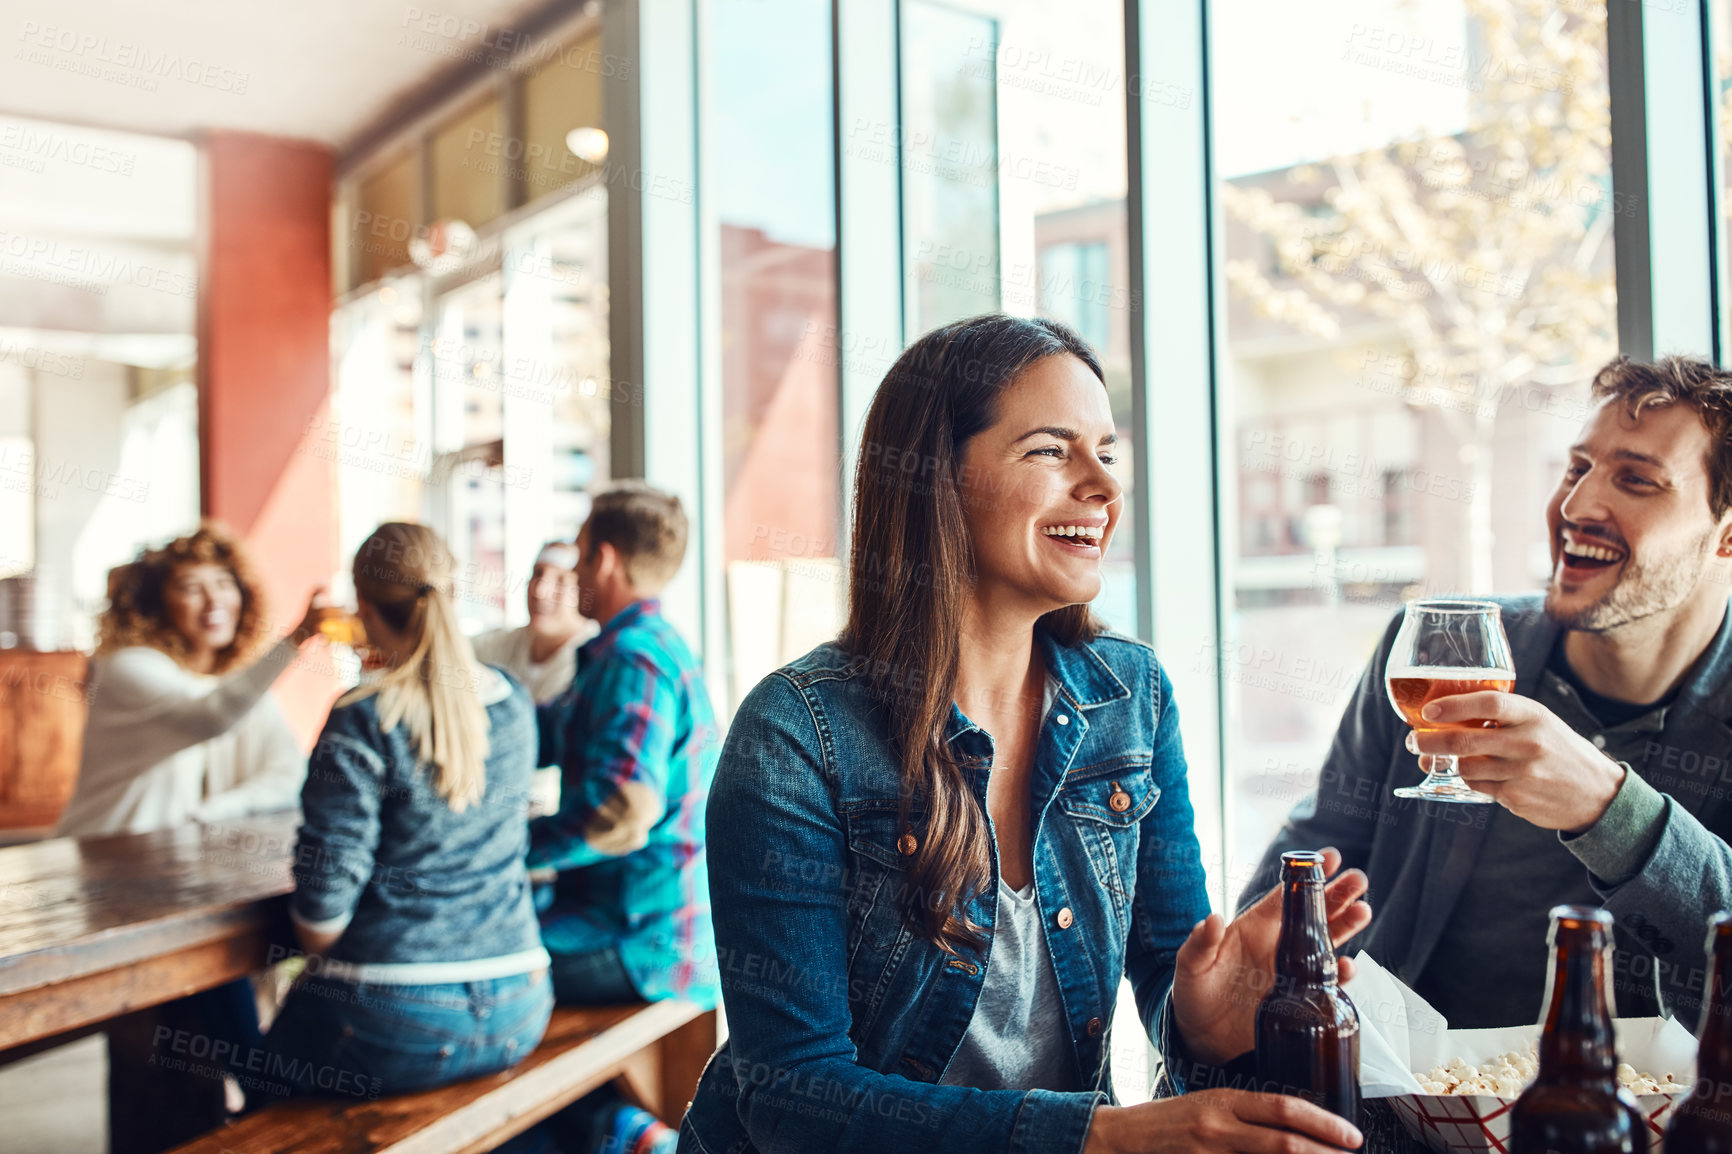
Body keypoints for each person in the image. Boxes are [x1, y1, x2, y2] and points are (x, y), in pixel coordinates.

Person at [679, 315, 1372, 1154]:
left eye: (1106, 453)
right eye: (1051, 450)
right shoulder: (797, 734)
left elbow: (1166, 969)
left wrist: (1200, 1019)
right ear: (938, 478)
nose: (1105, 489)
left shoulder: (1131, 693)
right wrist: (1097, 1140)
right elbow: (791, 1097)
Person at [1244, 354, 1732, 1029]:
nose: (1577, 505)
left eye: (1636, 481)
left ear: (1726, 534)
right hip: (1406, 1116)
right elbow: (1312, 864)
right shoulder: (1440, 649)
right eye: (1578, 468)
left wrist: (1610, 813)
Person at [263, 522, 552, 1098]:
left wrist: (327, 961)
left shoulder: (362, 716)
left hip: (392, 1016)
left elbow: (325, 895)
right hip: (521, 1000)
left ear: (365, 608)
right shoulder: (512, 701)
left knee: (255, 1073)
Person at [507, 485, 721, 1154]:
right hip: (654, 932)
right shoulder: (638, 648)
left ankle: (610, 1132)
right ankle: (621, 1131)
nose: (569, 572)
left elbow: (624, 814)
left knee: (474, 988)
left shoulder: (634, 660)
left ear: (601, 558)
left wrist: (515, 851)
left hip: (640, 940)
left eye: (574, 554)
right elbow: (549, 733)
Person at [57, 521, 322, 837]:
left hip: (172, 861)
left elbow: (289, 776)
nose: (214, 602)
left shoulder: (237, 687)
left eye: (224, 583)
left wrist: (211, 812)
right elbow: (211, 716)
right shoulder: (128, 668)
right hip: (98, 853)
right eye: (191, 588)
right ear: (156, 605)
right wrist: (298, 637)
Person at [472, 540, 595, 704]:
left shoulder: (596, 658)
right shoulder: (506, 642)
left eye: (560, 580)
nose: (539, 591)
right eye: (537, 574)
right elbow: (451, 651)